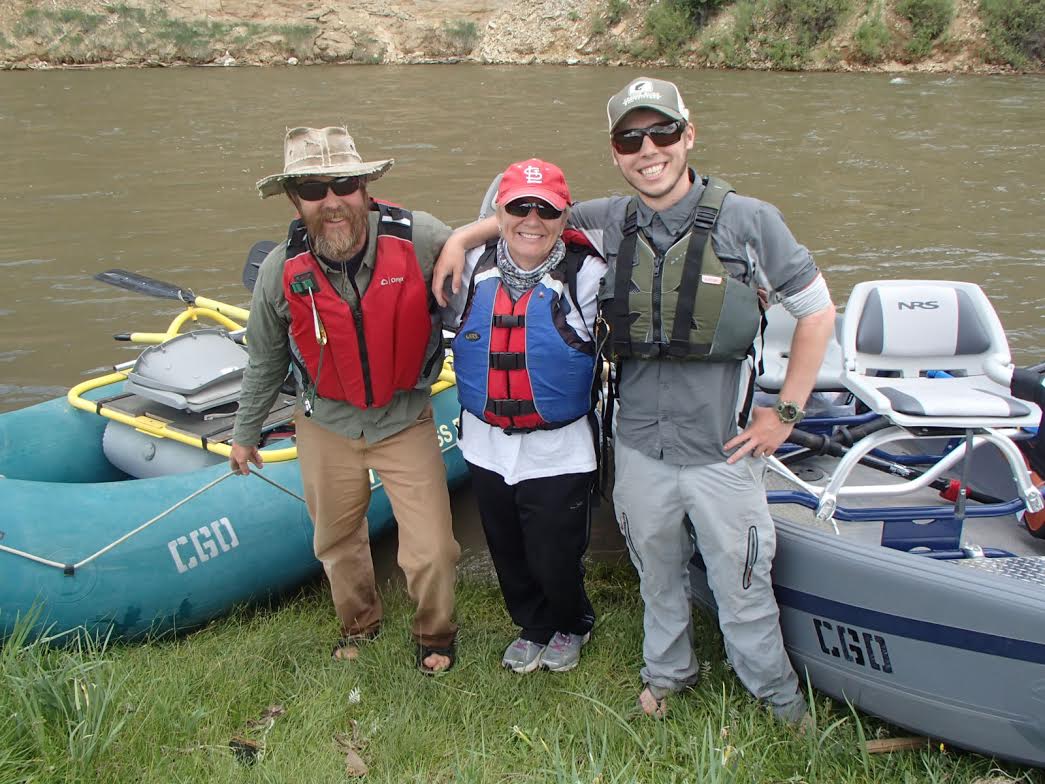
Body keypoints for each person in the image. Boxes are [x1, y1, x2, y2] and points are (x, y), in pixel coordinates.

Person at [433, 78, 836, 719]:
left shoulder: (751, 221)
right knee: (658, 573)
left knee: (743, 580)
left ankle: (776, 696)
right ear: (617, 152)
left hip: (723, 451)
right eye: (630, 139)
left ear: (688, 135)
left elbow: (816, 312)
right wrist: (459, 239)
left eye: (662, 133)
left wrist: (784, 411)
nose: (648, 150)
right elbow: (532, 218)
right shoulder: (608, 221)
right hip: (640, 446)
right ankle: (668, 672)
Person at [230, 126, 460, 674]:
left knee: (433, 550)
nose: (332, 201)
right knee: (336, 541)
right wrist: (243, 435)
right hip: (324, 423)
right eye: (313, 189)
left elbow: (487, 255)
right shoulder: (277, 273)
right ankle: (360, 624)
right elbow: (264, 360)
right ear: (294, 199)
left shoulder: (422, 236)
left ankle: (435, 633)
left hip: (404, 419)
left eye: (345, 184)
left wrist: (471, 234)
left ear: (365, 189)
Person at [442, 159, 607, 673]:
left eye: (546, 209)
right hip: (486, 443)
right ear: (499, 211)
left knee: (555, 553)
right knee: (507, 548)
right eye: (519, 207)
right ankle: (532, 623)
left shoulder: (590, 273)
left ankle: (571, 622)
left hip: (560, 449)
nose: (531, 219)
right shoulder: (468, 267)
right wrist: (458, 239)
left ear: (564, 216)